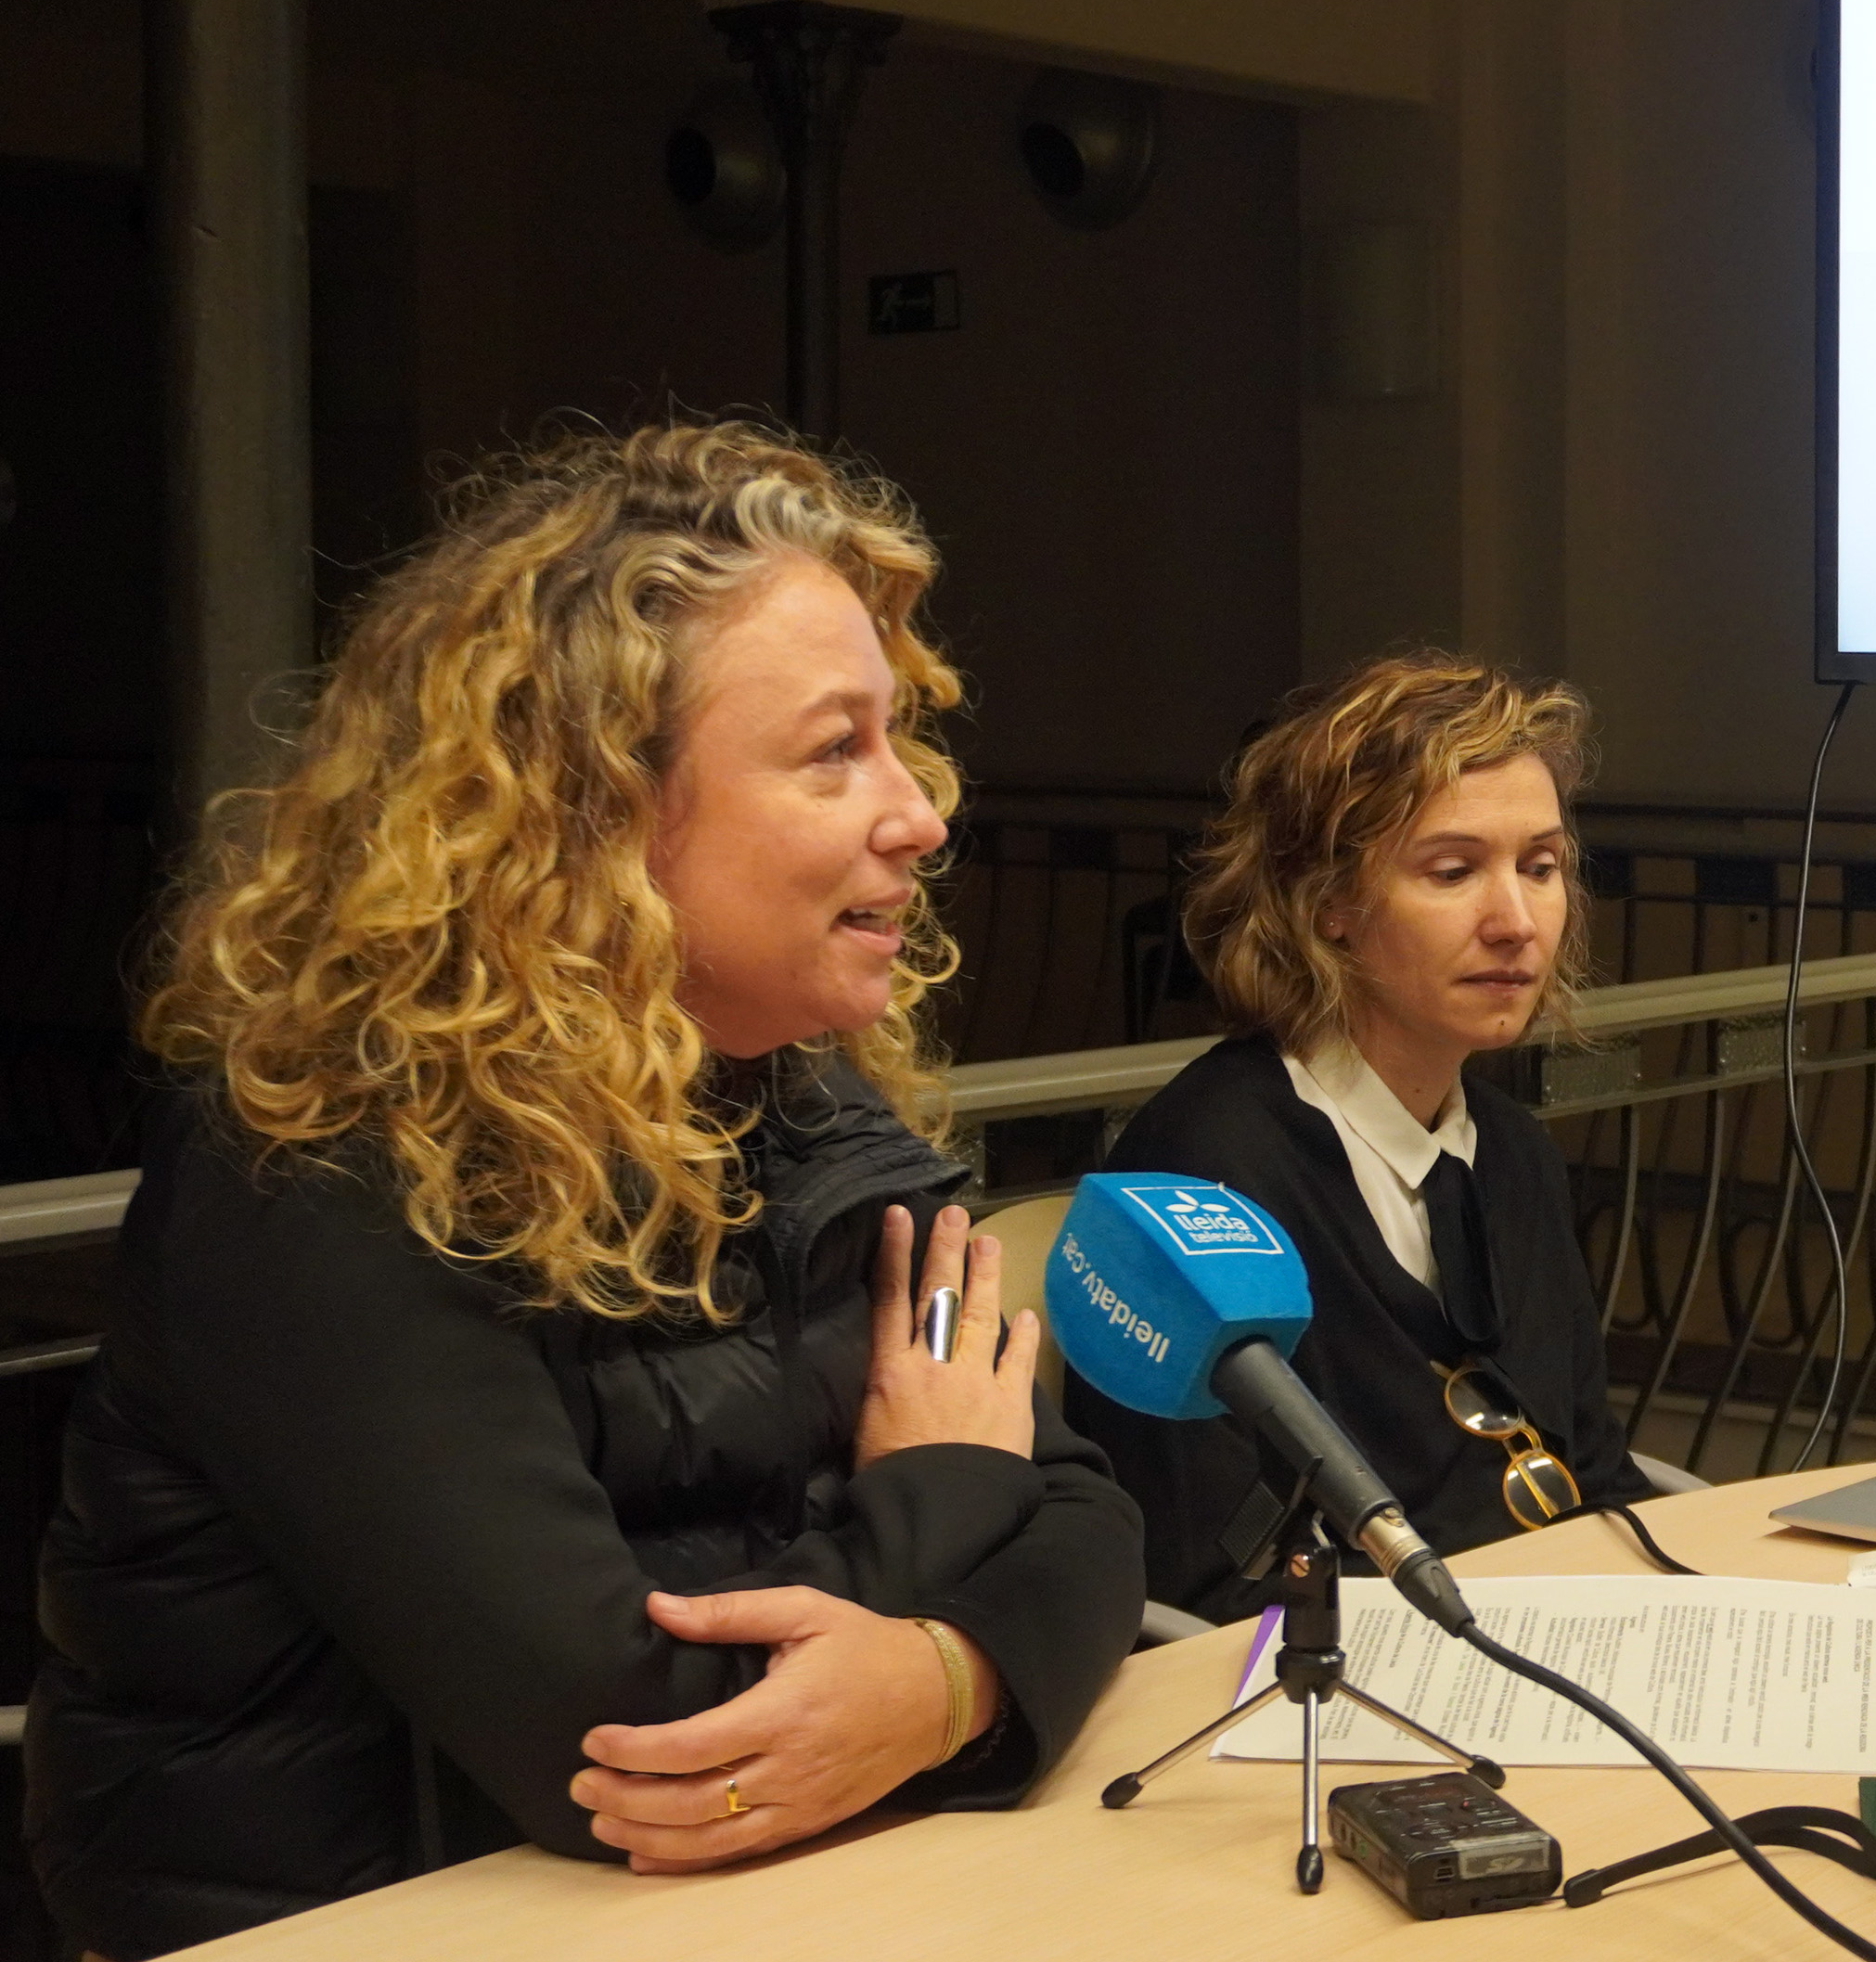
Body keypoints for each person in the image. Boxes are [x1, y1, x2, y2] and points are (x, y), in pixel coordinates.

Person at [24, 424, 1144, 1958]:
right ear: (597, 808)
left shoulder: (800, 1097)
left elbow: (1085, 1512)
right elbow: (629, 1742)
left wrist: (948, 1682)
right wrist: (944, 1490)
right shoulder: (318, 1171)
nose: (920, 813)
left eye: (898, 739)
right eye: (835, 750)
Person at [1067, 653, 1649, 1622]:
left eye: (1540, 867)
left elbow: (1595, 1475)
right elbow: (1209, 1582)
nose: (1515, 922)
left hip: (1563, 1638)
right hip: (1335, 1679)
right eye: (1453, 871)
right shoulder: (1205, 1174)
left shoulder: (1512, 1151)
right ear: (1327, 903)